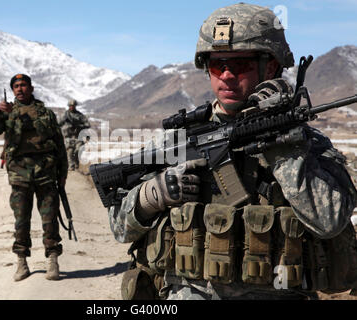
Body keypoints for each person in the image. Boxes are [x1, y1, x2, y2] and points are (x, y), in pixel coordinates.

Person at [107, 3, 357, 300]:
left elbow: (330, 221)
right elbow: (120, 228)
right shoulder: (178, 141)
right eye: (216, 65)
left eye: (240, 66)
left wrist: (280, 147)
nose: (226, 76)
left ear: (272, 66)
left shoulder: (305, 144)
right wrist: (151, 196)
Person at [0, 74, 68, 281]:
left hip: (45, 172)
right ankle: (21, 262)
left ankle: (52, 261)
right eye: (16, 86)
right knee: (21, 220)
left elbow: (59, 145)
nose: (19, 89)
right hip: (19, 173)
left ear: (31, 88)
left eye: (23, 85)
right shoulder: (7, 112)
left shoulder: (46, 113)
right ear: (12, 91)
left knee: (50, 220)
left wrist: (63, 175)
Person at [58, 99, 91, 171]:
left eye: (73, 106)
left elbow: (88, 124)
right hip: (68, 136)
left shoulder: (80, 115)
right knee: (69, 151)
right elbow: (58, 124)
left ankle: (76, 164)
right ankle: (71, 166)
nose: (72, 107)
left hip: (78, 136)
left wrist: (80, 126)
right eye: (70, 106)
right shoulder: (65, 115)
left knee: (78, 150)